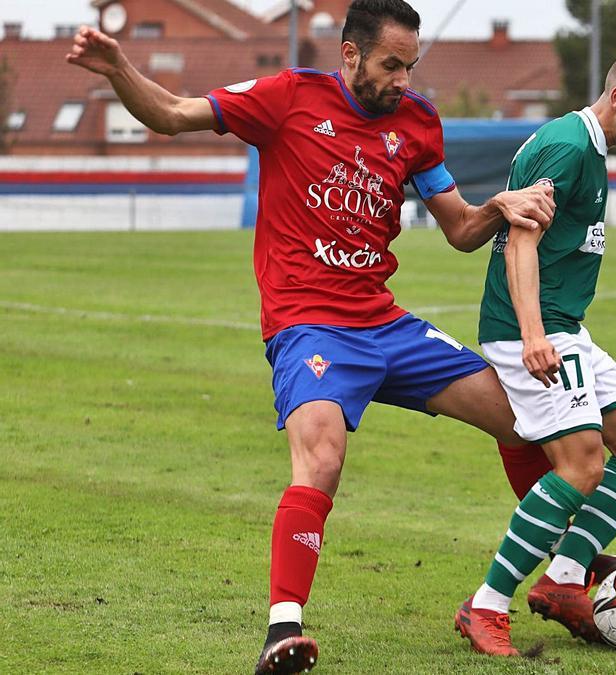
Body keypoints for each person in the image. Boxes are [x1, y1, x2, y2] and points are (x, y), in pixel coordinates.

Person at [66, 2, 562, 673]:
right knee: (323, 457)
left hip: (386, 322)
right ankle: (282, 629)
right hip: (310, 325)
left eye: (411, 65)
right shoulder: (287, 98)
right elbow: (172, 114)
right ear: (351, 54)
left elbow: (460, 231)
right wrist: (119, 66)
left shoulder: (415, 121)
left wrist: (498, 205)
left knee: (522, 419)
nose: (402, 79)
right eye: (391, 64)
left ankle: (559, 570)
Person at [453, 49, 616, 657]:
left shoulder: (591, 150)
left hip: (566, 326)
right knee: (582, 465)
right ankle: (487, 606)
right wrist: (533, 335)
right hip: (535, 327)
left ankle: (565, 580)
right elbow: (519, 242)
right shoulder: (569, 148)